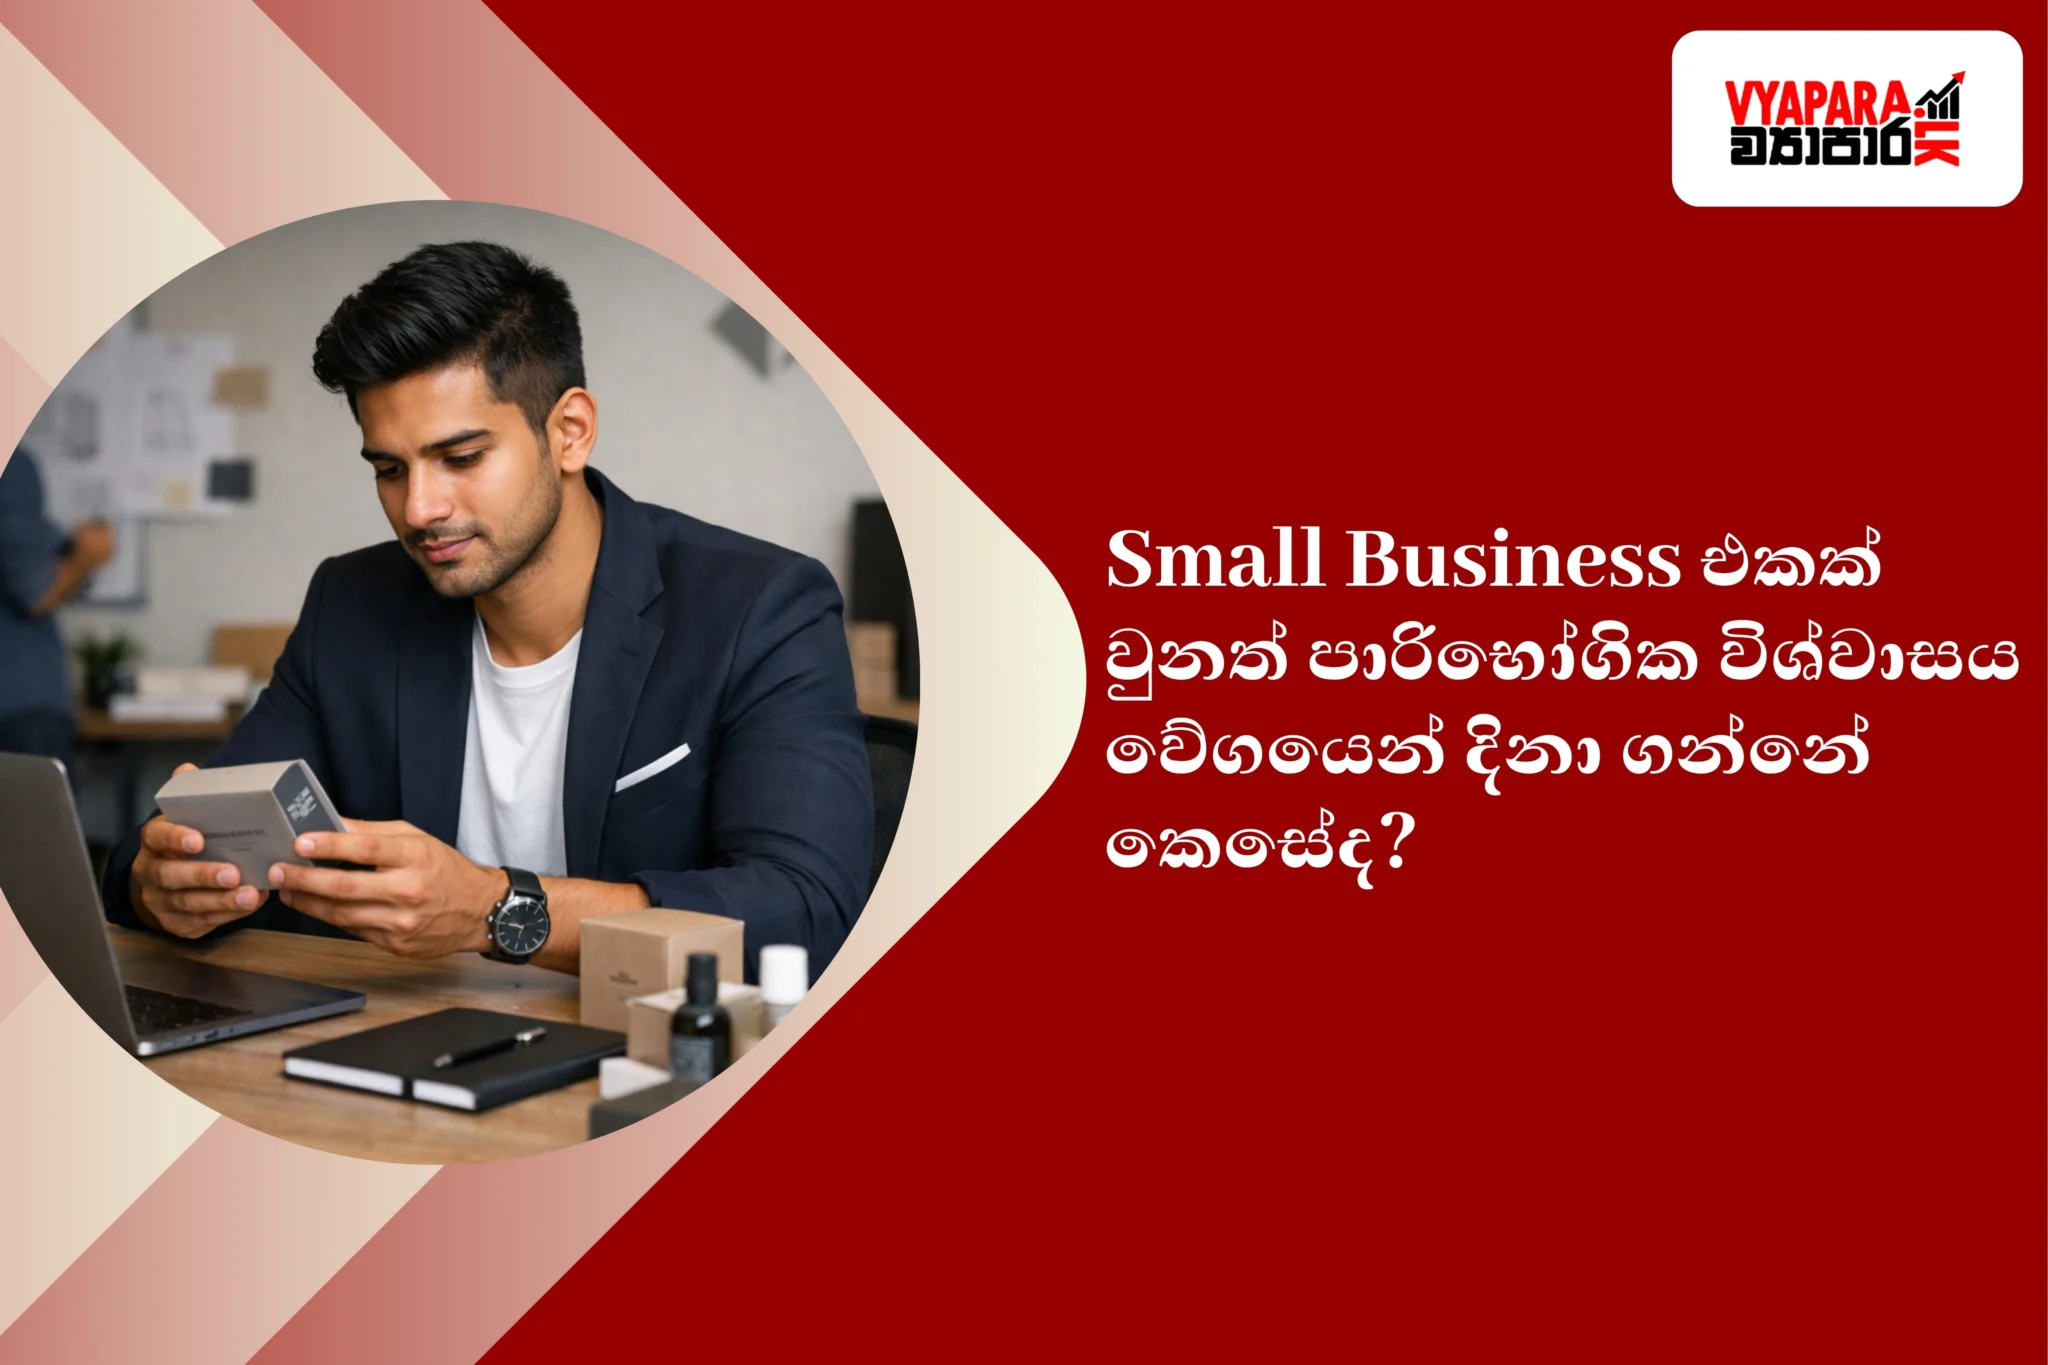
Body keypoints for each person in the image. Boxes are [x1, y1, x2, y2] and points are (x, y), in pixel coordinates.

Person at [103, 242, 874, 982]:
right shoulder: (352, 605)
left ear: (569, 432)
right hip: (398, 1042)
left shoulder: (760, 608)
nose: (419, 508)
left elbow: (807, 913)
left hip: (646, 1044)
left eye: (462, 458)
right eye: (389, 469)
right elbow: (181, 842)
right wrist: (163, 881)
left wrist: (495, 911)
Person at [0, 448, 116, 767]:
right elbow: (36, 592)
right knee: (37, 801)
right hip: (18, 701)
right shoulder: (11, 466)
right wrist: (86, 558)